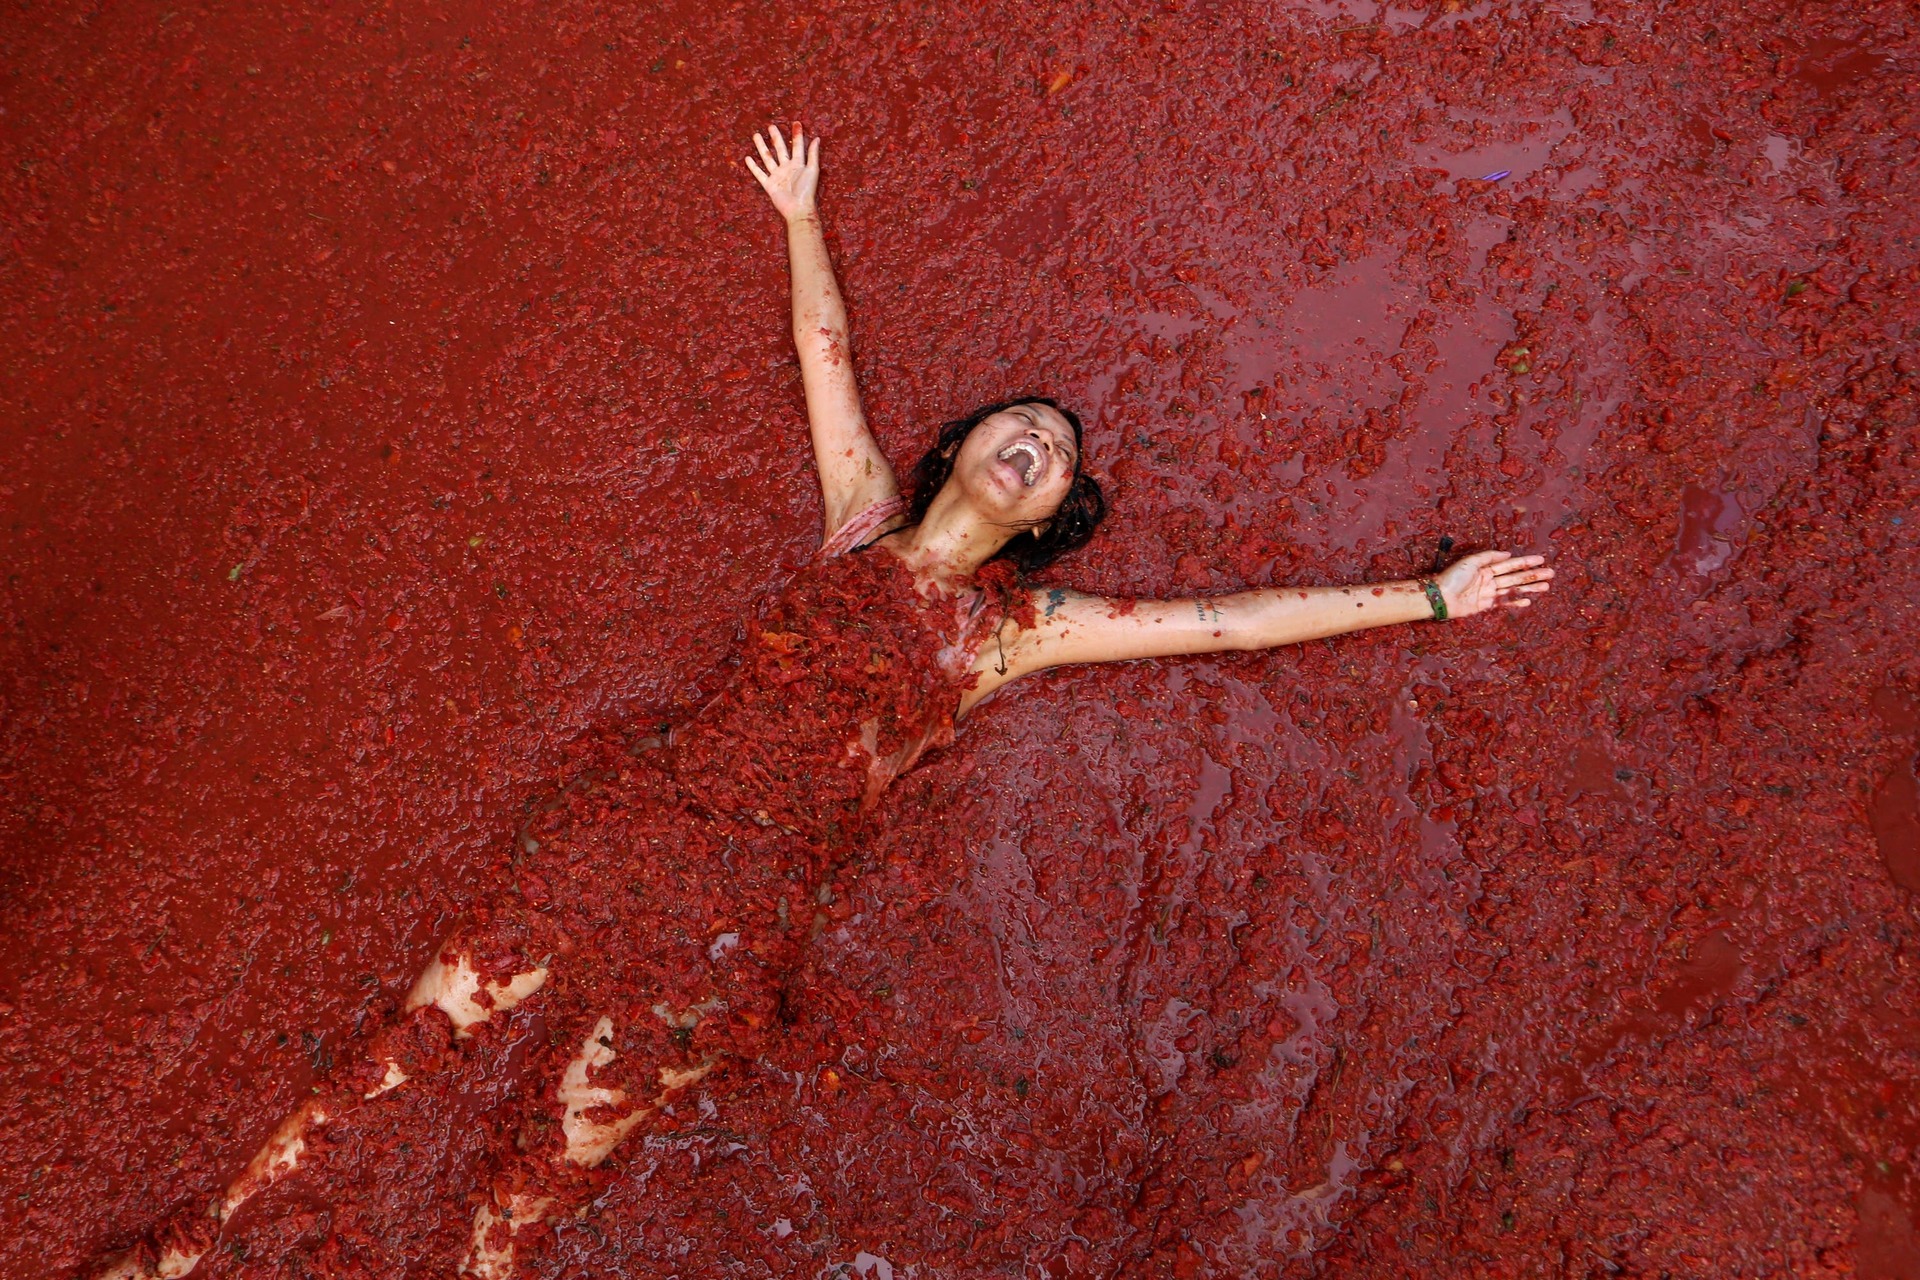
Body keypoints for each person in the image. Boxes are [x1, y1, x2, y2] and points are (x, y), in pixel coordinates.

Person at [94, 123, 1553, 1279]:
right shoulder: (858, 521)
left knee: (524, 1203)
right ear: (962, 446)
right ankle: (195, 1248)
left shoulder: (1014, 634)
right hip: (627, 831)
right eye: (1017, 423)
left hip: (728, 931)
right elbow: (826, 362)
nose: (1033, 442)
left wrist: (1425, 596)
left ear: (1048, 518)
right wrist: (801, 221)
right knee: (389, 1068)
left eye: (1050, 449)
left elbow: (1223, 624)